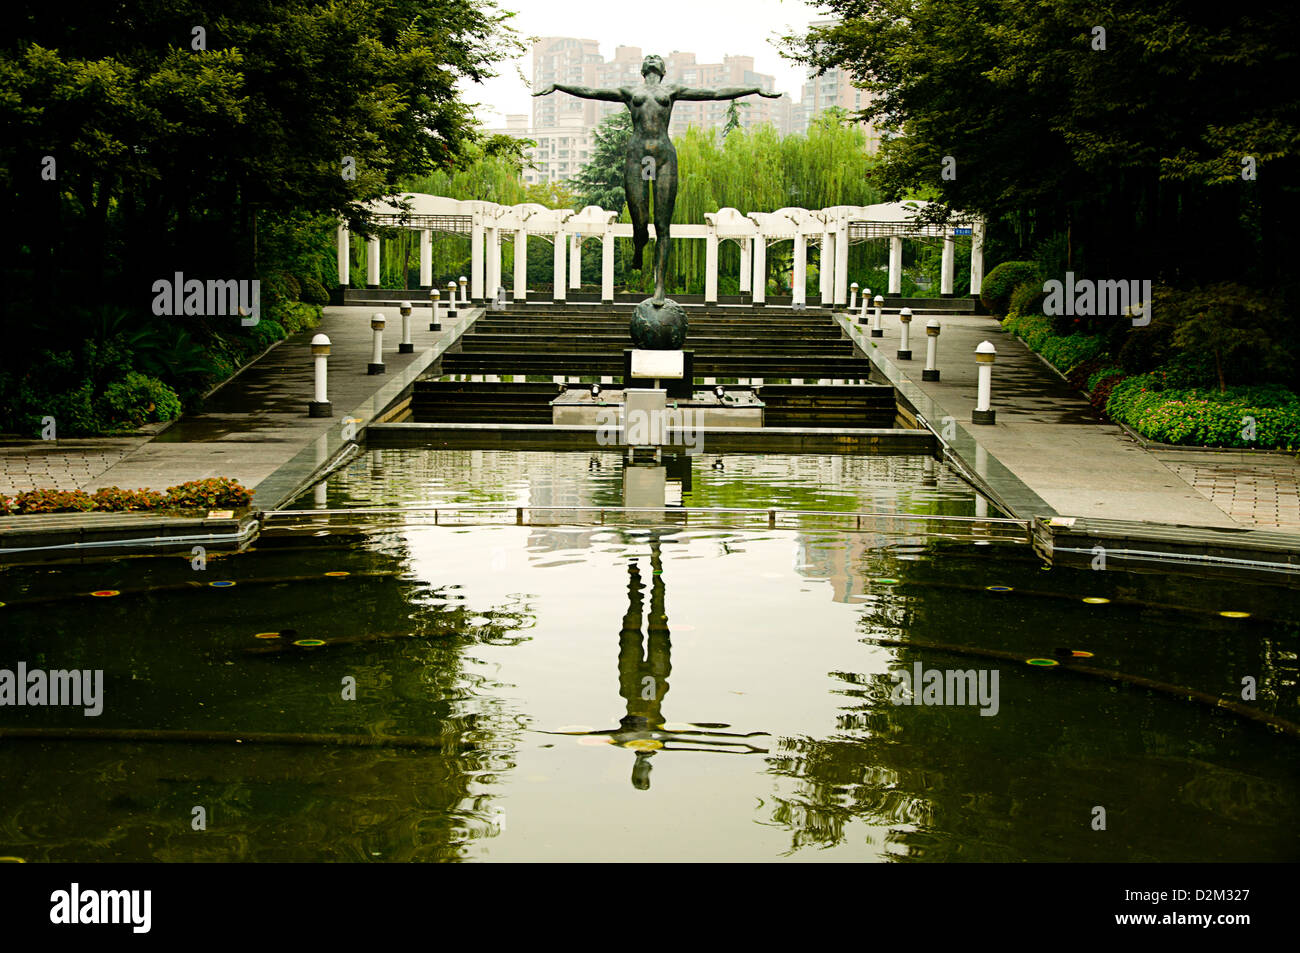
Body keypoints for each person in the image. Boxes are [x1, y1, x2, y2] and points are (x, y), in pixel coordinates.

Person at [534, 54, 780, 305]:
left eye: (656, 58)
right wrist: (558, 86)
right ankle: (639, 244)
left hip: (663, 158)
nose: (652, 58)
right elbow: (590, 90)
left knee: (663, 225)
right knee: (640, 220)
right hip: (639, 158)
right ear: (643, 69)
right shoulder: (629, 91)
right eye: (648, 57)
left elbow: (715, 93)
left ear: (663, 69)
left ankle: (659, 286)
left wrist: (755, 89)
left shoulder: (672, 90)